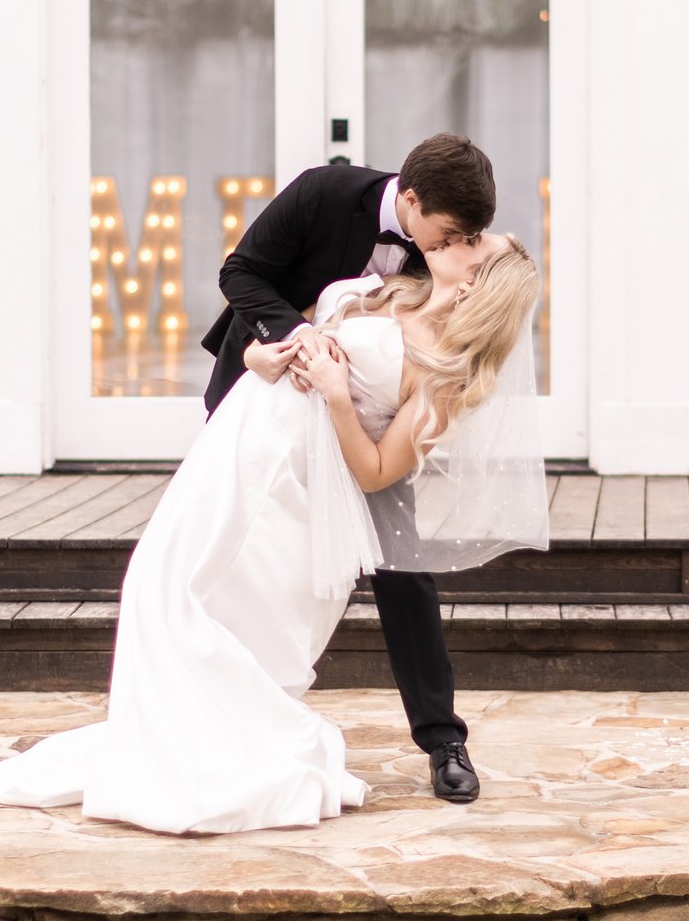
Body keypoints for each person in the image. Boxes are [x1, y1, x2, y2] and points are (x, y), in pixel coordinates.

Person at [0, 228, 543, 835]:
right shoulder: (389, 293)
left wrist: (339, 396)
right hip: (239, 445)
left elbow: (374, 474)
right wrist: (257, 357)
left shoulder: (444, 378)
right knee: (156, 584)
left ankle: (212, 756)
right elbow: (281, 335)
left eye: (476, 241)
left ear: (477, 282)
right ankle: (162, 738)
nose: (458, 236)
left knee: (228, 622)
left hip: (296, 497)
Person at [201, 134, 501, 803]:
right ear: (412, 199)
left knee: (404, 568)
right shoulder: (323, 193)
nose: (455, 248)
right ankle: (217, 712)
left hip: (365, 424)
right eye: (450, 234)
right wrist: (292, 333)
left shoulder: (447, 247)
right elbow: (240, 272)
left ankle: (443, 739)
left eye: (466, 237)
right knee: (238, 555)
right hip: (268, 399)